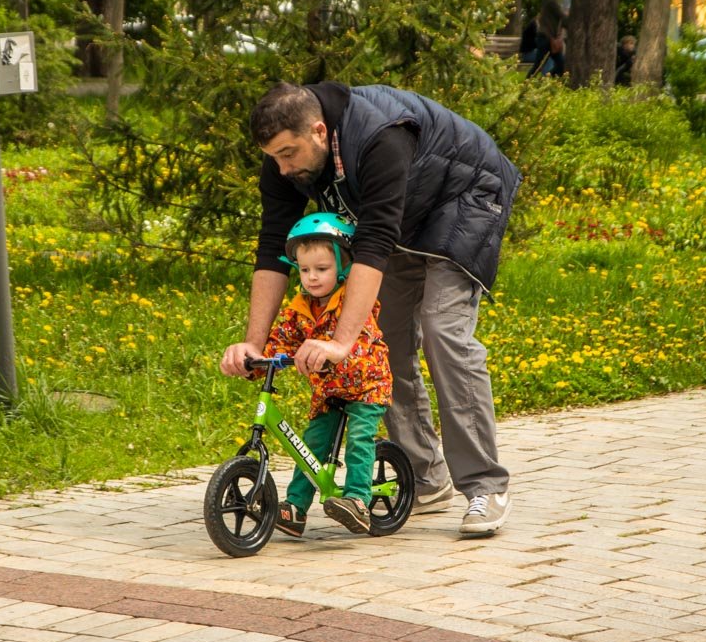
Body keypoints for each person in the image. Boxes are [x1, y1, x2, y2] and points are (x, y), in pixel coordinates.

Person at [220, 81, 522, 537]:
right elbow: (273, 247)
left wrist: (341, 342)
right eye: (274, 158)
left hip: (465, 195)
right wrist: (254, 343)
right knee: (385, 343)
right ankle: (425, 477)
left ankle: (485, 485)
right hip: (405, 213)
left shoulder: (381, 135)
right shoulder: (287, 155)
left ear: (318, 131)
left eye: (287, 154)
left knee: (442, 330)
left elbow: (374, 242)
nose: (282, 169)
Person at [253, 212, 392, 537]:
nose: (312, 278)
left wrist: (333, 351)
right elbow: (281, 339)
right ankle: (295, 508)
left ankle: (358, 500)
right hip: (329, 391)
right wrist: (257, 359)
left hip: (367, 386)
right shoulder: (301, 308)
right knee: (312, 443)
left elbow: (360, 342)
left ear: (343, 266)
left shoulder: (354, 302)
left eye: (321, 269)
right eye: (304, 270)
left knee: (359, 438)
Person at [521, 0, 568, 78]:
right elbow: (562, 17)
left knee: (561, 65)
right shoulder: (551, 1)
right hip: (545, 38)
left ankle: (544, 79)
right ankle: (528, 83)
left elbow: (561, 20)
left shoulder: (554, 2)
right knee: (539, 65)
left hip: (551, 39)